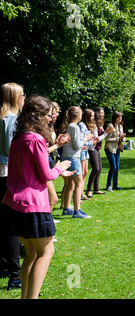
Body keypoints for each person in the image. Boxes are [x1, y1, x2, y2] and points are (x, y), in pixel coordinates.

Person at [2, 95, 73, 299]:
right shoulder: (35, 139)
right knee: (46, 253)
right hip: (33, 207)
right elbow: (46, 174)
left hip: (14, 205)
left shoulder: (19, 138)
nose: (50, 119)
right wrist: (58, 169)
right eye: (48, 116)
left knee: (32, 254)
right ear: (37, 116)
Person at [0, 82, 25, 290]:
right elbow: (11, 149)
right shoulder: (11, 118)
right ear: (15, 97)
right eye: (22, 95)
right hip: (7, 173)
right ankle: (15, 276)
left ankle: (4, 267)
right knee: (11, 226)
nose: (24, 98)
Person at [60, 106, 95, 218]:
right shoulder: (74, 127)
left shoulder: (70, 126)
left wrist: (81, 142)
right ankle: (77, 211)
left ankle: (66, 208)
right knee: (78, 184)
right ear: (78, 115)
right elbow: (77, 145)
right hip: (73, 158)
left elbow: (74, 144)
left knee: (70, 184)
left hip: (66, 156)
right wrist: (86, 138)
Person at [86, 107, 112, 197]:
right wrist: (106, 133)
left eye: (103, 112)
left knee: (99, 169)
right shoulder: (94, 125)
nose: (103, 114)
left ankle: (96, 188)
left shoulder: (100, 124)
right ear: (97, 113)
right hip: (92, 148)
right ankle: (89, 189)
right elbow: (96, 139)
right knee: (96, 169)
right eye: (101, 113)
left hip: (97, 148)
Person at [104, 112, 126, 191]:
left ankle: (115, 185)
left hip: (117, 149)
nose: (120, 118)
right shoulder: (110, 126)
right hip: (109, 148)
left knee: (117, 167)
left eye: (121, 117)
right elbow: (106, 139)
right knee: (113, 166)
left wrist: (123, 138)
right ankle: (108, 185)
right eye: (118, 117)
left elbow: (121, 138)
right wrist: (117, 139)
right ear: (115, 118)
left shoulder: (120, 126)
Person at [78, 109, 96, 200]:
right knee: (81, 173)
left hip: (85, 151)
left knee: (85, 172)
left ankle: (81, 193)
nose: (93, 117)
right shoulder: (81, 125)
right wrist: (91, 141)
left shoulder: (86, 125)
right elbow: (82, 139)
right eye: (92, 116)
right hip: (81, 151)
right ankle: (79, 194)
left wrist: (92, 142)